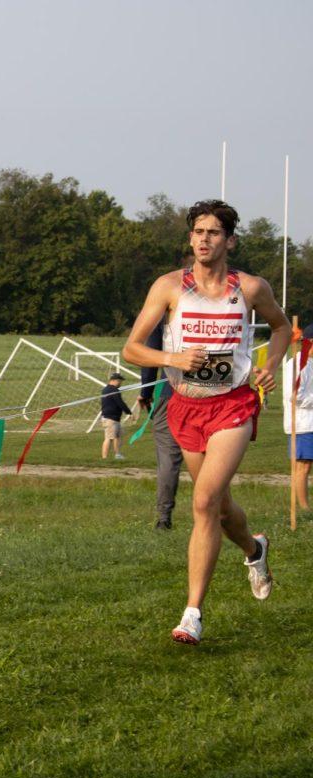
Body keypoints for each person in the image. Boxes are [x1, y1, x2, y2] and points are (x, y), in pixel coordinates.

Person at [123, 199, 290, 645]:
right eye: (198, 231)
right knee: (218, 508)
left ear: (230, 240)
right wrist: (172, 357)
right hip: (184, 405)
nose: (203, 239)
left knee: (202, 503)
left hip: (233, 404)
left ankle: (192, 613)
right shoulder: (169, 287)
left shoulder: (250, 289)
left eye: (213, 232)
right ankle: (254, 549)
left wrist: (270, 365)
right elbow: (132, 349)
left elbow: (281, 328)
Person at [137, 319, 182, 529]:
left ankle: (164, 517)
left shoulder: (165, 306)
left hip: (170, 392)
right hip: (215, 392)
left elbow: (149, 355)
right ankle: (217, 511)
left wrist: (145, 393)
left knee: (168, 457)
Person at [282, 323, 313, 509]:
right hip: (302, 423)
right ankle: (304, 509)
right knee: (303, 466)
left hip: (312, 422)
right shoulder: (296, 364)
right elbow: (295, 396)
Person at [100, 373, 133, 460]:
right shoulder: (113, 390)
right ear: (114, 380)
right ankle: (104, 457)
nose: (120, 383)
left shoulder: (106, 389)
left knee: (117, 437)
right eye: (119, 381)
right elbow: (120, 402)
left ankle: (117, 454)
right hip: (110, 418)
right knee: (109, 438)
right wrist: (129, 413)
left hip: (114, 418)